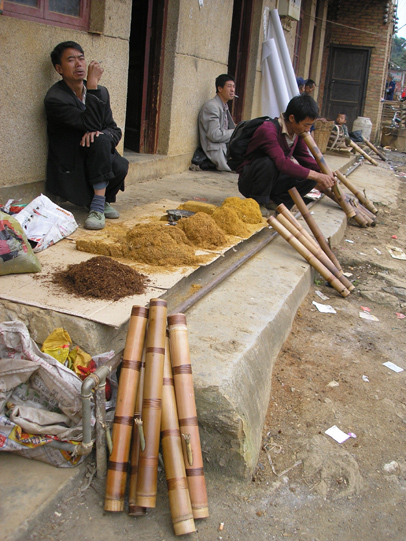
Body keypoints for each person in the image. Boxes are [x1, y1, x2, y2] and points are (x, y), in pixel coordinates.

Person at [44, 41, 129, 230]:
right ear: (59, 68)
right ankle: (98, 206)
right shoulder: (56, 98)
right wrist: (92, 86)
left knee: (119, 163)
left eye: (81, 58)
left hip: (96, 160)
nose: (79, 65)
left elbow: (114, 129)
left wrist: (102, 133)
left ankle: (100, 199)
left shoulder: (101, 92)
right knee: (99, 140)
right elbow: (88, 123)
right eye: (71, 60)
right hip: (73, 167)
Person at [237, 94, 336, 213]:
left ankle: (277, 202)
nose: (308, 130)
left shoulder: (297, 132)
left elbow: (304, 157)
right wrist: (316, 175)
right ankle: (258, 202)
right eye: (306, 125)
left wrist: (323, 172)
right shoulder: (268, 130)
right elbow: (282, 163)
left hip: (275, 179)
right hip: (252, 181)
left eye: (310, 125)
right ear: (292, 118)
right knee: (268, 162)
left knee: (312, 177)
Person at [198, 74, 236, 171]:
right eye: (229, 86)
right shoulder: (212, 106)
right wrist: (236, 132)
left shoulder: (223, 105)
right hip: (216, 151)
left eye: (233, 86)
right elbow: (214, 135)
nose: (232, 90)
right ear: (220, 88)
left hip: (225, 148)